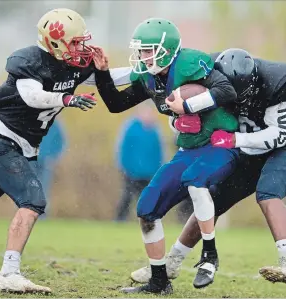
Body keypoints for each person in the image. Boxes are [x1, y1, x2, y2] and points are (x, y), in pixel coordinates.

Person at [0, 8, 131, 294]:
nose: (80, 48)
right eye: (74, 42)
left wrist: (147, 71)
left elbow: (109, 79)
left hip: (18, 147)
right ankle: (9, 272)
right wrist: (66, 99)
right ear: (54, 42)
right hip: (0, 142)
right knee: (33, 200)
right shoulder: (29, 61)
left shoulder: (71, 66)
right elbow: (31, 95)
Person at [130, 48, 286, 291]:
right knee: (211, 202)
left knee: (268, 193)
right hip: (249, 147)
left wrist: (233, 140)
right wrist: (178, 120)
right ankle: (172, 263)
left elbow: (277, 136)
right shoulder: (209, 71)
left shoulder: (275, 83)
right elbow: (179, 109)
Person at [92, 18, 241, 294]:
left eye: (149, 50)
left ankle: (210, 254)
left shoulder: (189, 63)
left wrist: (186, 105)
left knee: (196, 180)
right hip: (188, 148)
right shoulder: (149, 76)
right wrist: (102, 74)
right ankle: (159, 281)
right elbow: (116, 104)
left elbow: (226, 90)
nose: (143, 56)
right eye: (141, 50)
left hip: (220, 145)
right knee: (147, 206)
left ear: (168, 49)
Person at [115, 103, 164, 222]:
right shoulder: (130, 128)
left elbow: (159, 152)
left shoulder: (155, 131)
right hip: (131, 171)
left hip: (149, 173)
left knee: (147, 199)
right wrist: (124, 167)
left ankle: (148, 220)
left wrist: (158, 169)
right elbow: (123, 149)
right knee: (127, 197)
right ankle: (120, 219)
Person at [37, 119, 67, 218]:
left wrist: (53, 156)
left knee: (43, 189)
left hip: (45, 161)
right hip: (30, 159)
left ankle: (40, 216)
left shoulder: (54, 123)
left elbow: (61, 141)